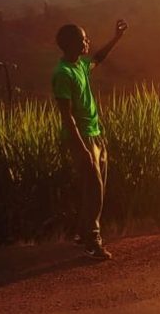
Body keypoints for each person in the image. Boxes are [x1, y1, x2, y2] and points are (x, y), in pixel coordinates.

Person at [52, 19, 127, 260]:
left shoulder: (81, 66)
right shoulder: (63, 74)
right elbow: (66, 116)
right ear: (71, 44)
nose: (87, 41)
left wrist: (116, 38)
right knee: (94, 189)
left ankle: (82, 234)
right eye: (83, 39)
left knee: (95, 187)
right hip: (82, 138)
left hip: (95, 134)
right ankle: (92, 241)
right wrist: (82, 148)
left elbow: (98, 58)